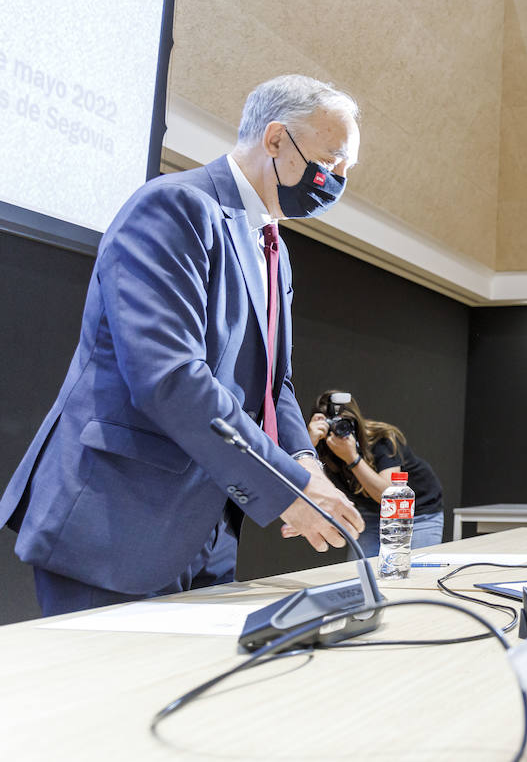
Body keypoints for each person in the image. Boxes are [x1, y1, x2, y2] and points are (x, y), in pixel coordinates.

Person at [0, 74, 366, 616]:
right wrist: (289, 488)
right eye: (331, 161)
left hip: (209, 526)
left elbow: (273, 384)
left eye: (345, 171)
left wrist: (303, 462)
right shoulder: (174, 207)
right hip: (119, 521)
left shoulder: (273, 248)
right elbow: (170, 378)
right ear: (275, 140)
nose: (335, 180)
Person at [310, 390, 445, 555]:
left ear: (356, 421)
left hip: (418, 513)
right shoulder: (322, 447)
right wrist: (309, 445)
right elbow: (309, 488)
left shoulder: (381, 438)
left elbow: (388, 495)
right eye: (333, 424)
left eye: (346, 423)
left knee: (413, 571)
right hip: (372, 513)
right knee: (360, 572)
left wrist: (352, 458)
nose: (340, 429)